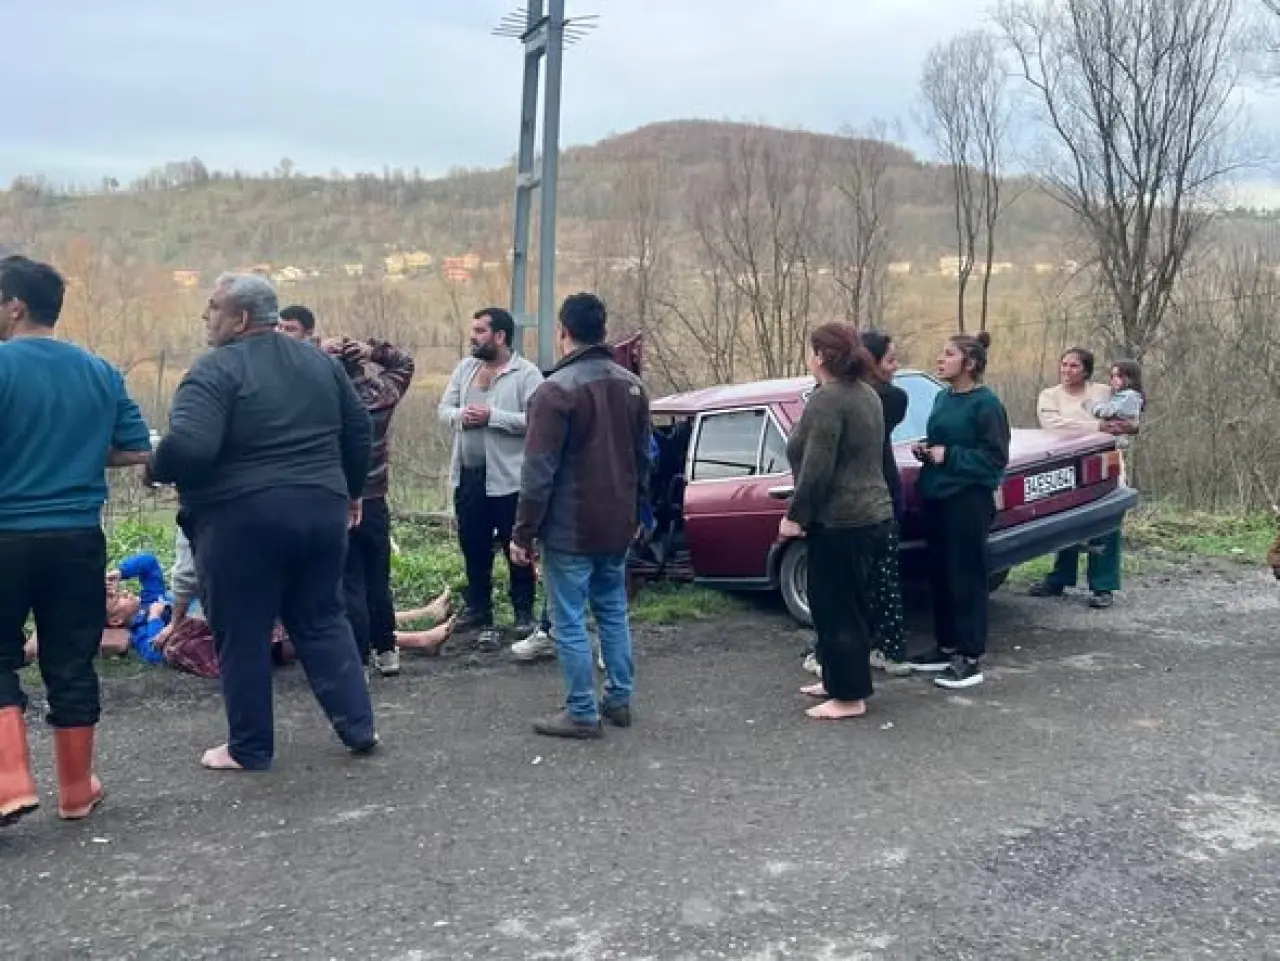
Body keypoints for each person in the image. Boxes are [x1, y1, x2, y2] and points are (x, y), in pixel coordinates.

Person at [147, 273, 378, 771]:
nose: (205, 316)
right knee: (321, 617)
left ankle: (249, 748)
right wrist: (350, 490)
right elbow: (359, 428)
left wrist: (154, 467)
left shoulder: (214, 370)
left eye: (213, 307)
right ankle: (359, 727)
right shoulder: (320, 363)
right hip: (320, 509)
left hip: (241, 520)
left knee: (242, 629)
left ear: (242, 318)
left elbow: (190, 447)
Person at [0, 255, 152, 827]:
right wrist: (80, 454)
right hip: (76, 537)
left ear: (15, 306)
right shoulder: (99, 370)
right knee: (70, 659)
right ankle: (75, 790)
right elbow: (136, 448)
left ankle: (10, 781)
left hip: (4, 535)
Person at [510, 293, 652, 739]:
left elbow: (538, 471)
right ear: (603, 330)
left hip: (570, 526)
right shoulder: (632, 386)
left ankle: (581, 712)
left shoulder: (553, 392)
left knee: (568, 619)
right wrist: (638, 512)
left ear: (563, 332)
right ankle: (619, 699)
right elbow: (643, 459)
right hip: (618, 521)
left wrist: (523, 532)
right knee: (613, 610)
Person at [778, 323, 894, 721]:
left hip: (842, 520)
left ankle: (849, 696)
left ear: (820, 356)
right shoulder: (866, 394)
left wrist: (795, 516)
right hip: (873, 514)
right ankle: (835, 678)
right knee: (843, 605)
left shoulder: (828, 400)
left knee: (837, 608)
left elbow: (817, 468)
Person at [910, 331, 1011, 690]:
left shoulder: (987, 405)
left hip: (968, 501)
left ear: (970, 364)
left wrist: (950, 456)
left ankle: (970, 657)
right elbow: (944, 441)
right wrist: (928, 450)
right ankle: (946, 646)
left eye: (949, 354)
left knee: (966, 577)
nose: (940, 359)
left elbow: (995, 459)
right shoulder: (942, 397)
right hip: (936, 496)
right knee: (939, 575)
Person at [438, 308, 544, 646]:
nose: (473, 337)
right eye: (473, 330)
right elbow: (444, 410)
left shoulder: (526, 374)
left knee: (517, 546)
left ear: (500, 336)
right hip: (469, 476)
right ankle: (479, 608)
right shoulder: (465, 369)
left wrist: (493, 417)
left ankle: (523, 612)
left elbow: (537, 421)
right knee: (473, 544)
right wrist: (462, 416)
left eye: (480, 331)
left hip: (509, 479)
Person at [322, 335, 415, 677]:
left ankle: (358, 654)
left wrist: (319, 348)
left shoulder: (327, 401)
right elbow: (404, 363)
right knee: (378, 578)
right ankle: (386, 649)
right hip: (375, 498)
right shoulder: (382, 394)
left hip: (340, 498)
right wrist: (373, 350)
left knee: (349, 580)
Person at [1029, 347, 1124, 608]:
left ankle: (1103, 585)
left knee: (1106, 520)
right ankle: (1060, 577)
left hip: (1101, 462)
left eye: (1074, 366)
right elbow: (1054, 424)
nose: (1067, 370)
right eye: (1064, 365)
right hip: (1065, 464)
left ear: (1086, 371)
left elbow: (1124, 413)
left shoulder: (1102, 392)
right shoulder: (1050, 396)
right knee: (1065, 521)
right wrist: (1097, 426)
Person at [860, 329, 910, 677]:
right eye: (890, 359)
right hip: (880, 493)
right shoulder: (875, 397)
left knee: (881, 578)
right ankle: (883, 646)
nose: (895, 367)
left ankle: (887, 648)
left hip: (876, 497)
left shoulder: (888, 399)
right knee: (878, 578)